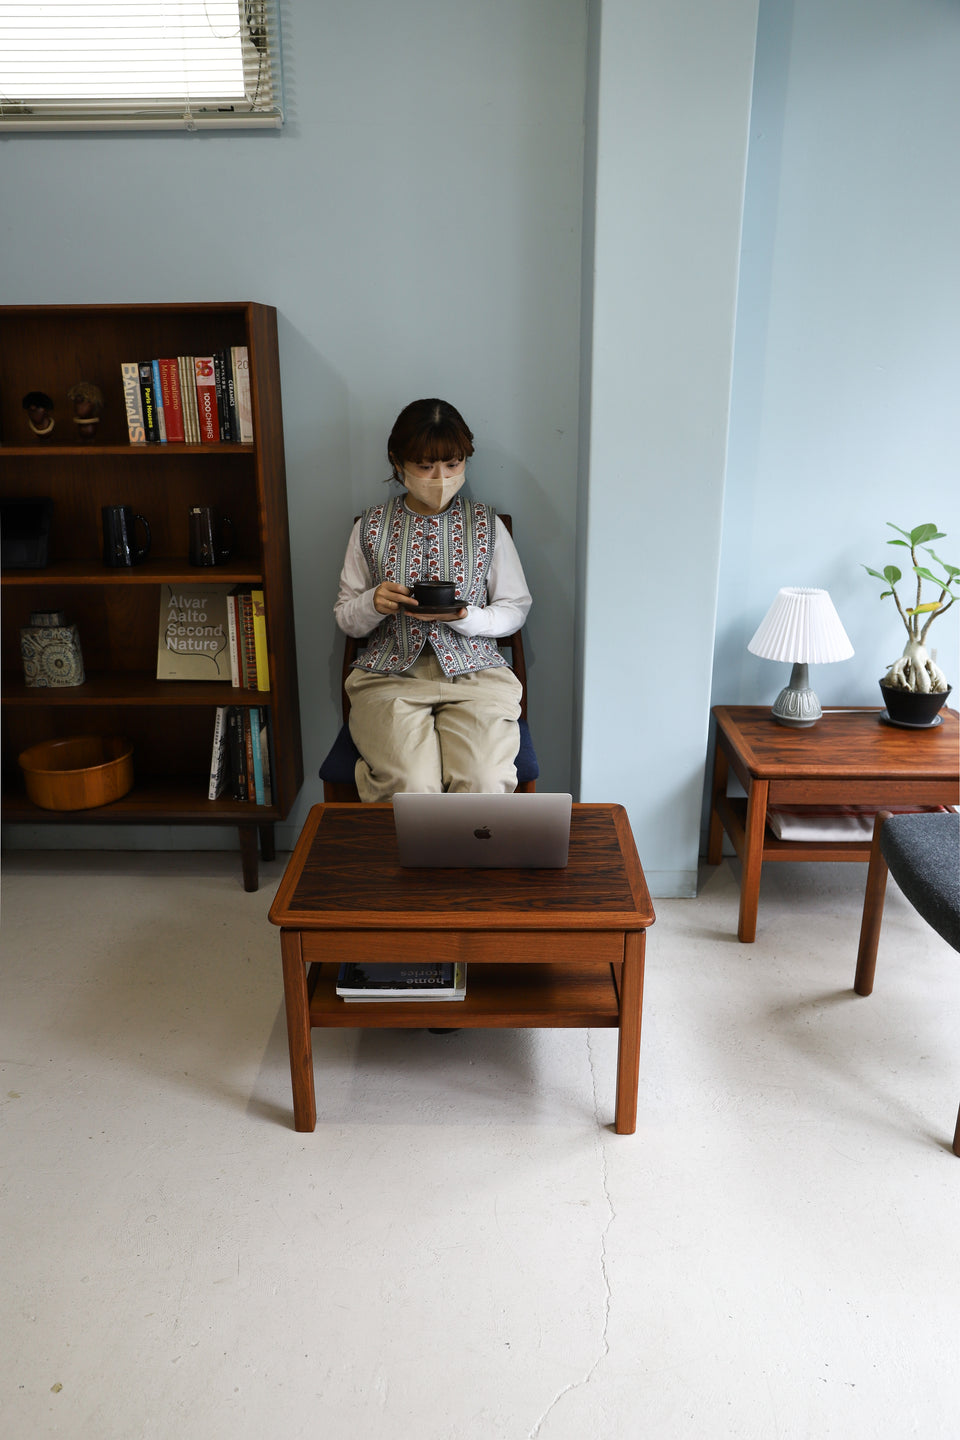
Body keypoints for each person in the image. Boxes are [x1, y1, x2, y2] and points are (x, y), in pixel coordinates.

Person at [334, 398, 532, 801]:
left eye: (453, 464)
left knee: (482, 782)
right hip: (389, 678)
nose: (440, 477)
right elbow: (345, 616)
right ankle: (406, 860)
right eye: (425, 466)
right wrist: (373, 602)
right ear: (397, 463)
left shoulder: (486, 525)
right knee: (412, 786)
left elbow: (515, 607)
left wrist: (467, 617)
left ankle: (471, 864)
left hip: (476, 675)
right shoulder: (370, 526)